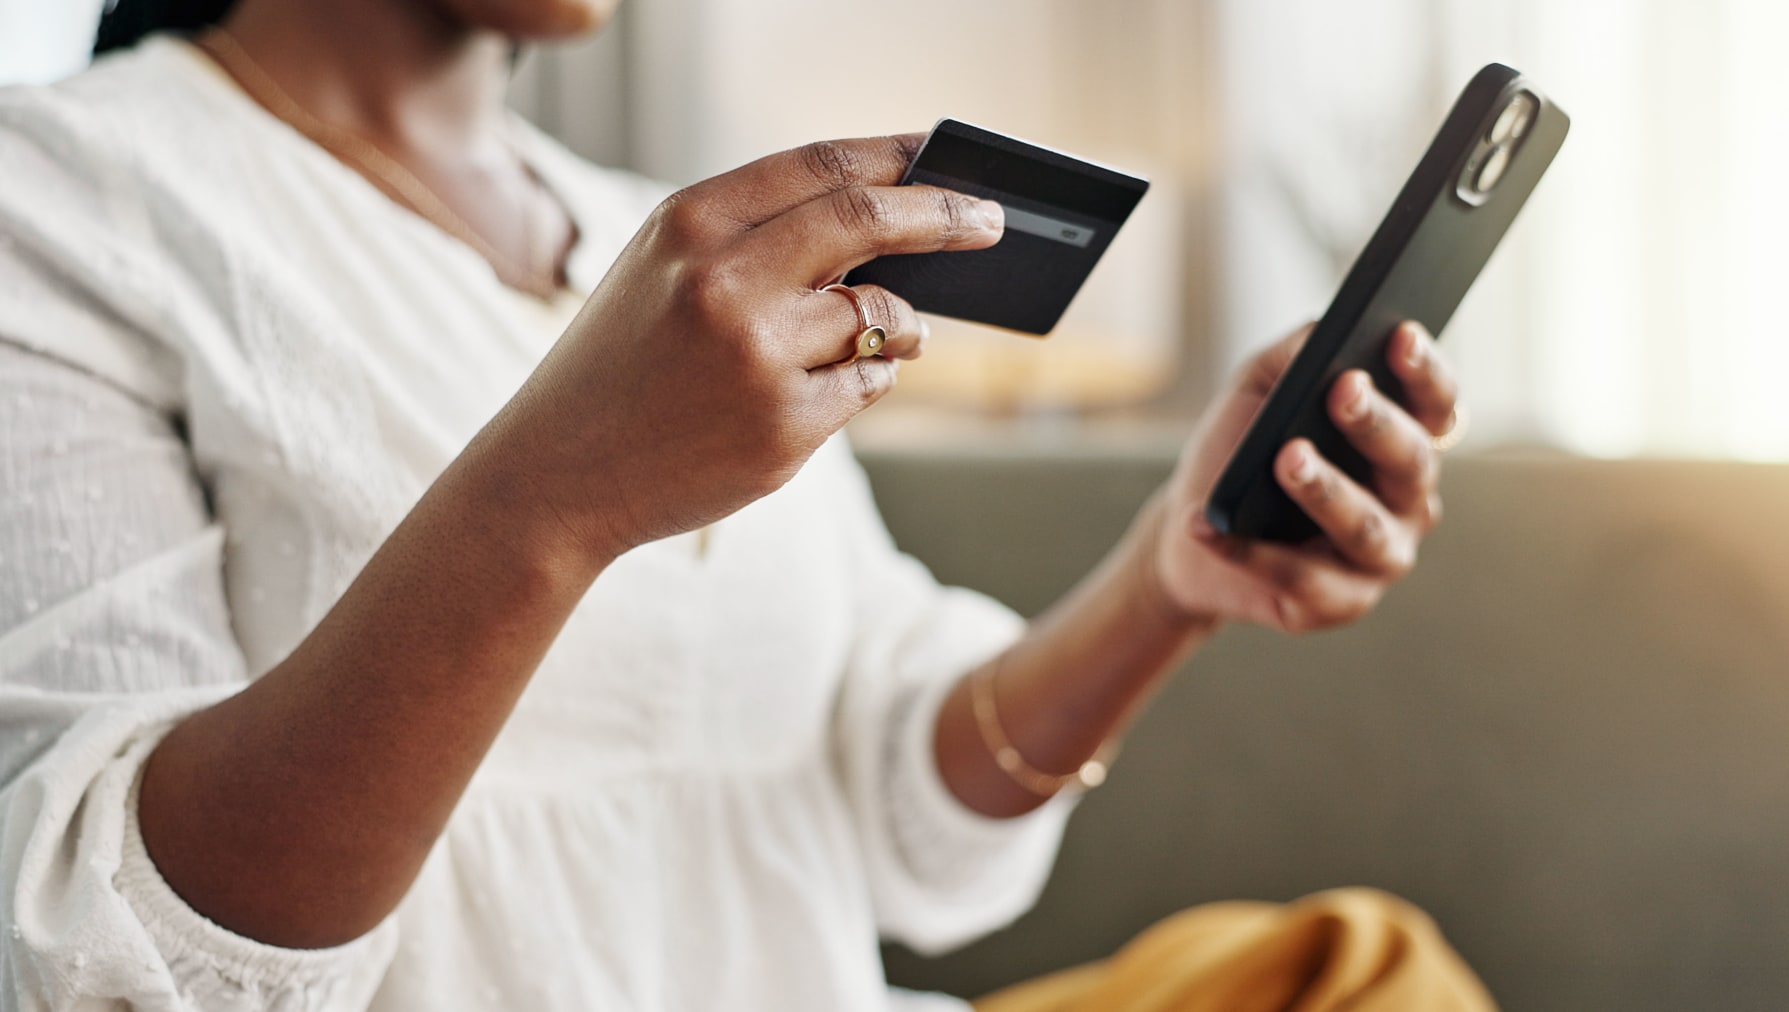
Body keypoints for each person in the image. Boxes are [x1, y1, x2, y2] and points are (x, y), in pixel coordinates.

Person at [0, 0, 1488, 1009]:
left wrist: (1170, 581)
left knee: (1367, 971)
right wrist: (554, 500)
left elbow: (902, 801)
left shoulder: (650, 229)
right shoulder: (61, 198)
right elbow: (118, 957)